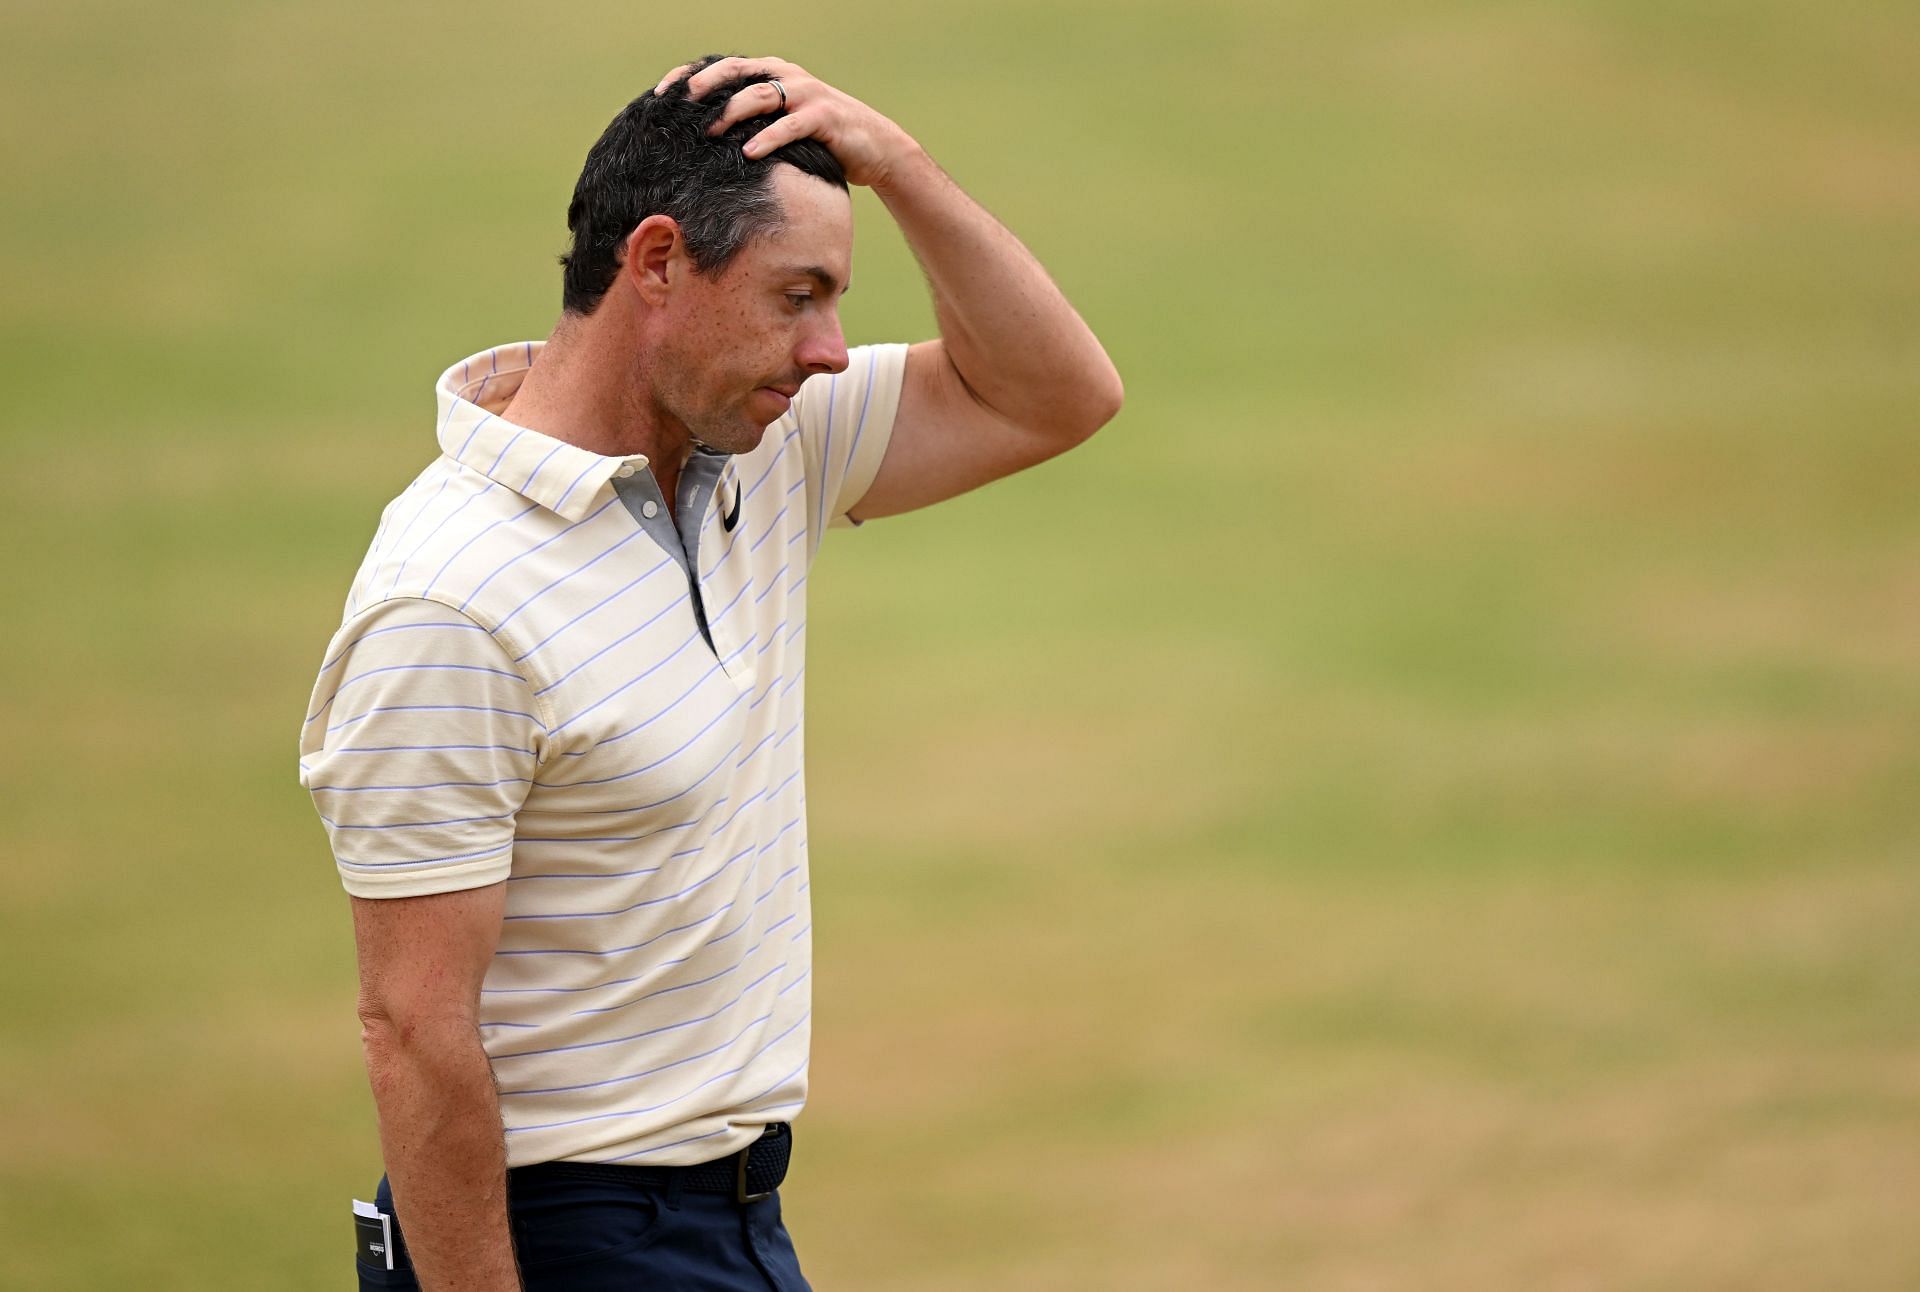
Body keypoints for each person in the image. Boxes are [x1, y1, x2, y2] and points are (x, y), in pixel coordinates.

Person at [299, 53, 1121, 1291]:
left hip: (731, 1218)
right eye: (799, 294)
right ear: (659, 264)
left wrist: (895, 164)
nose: (832, 349)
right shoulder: (451, 601)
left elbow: (1058, 393)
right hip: (562, 1236)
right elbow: (414, 1033)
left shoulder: (759, 450)